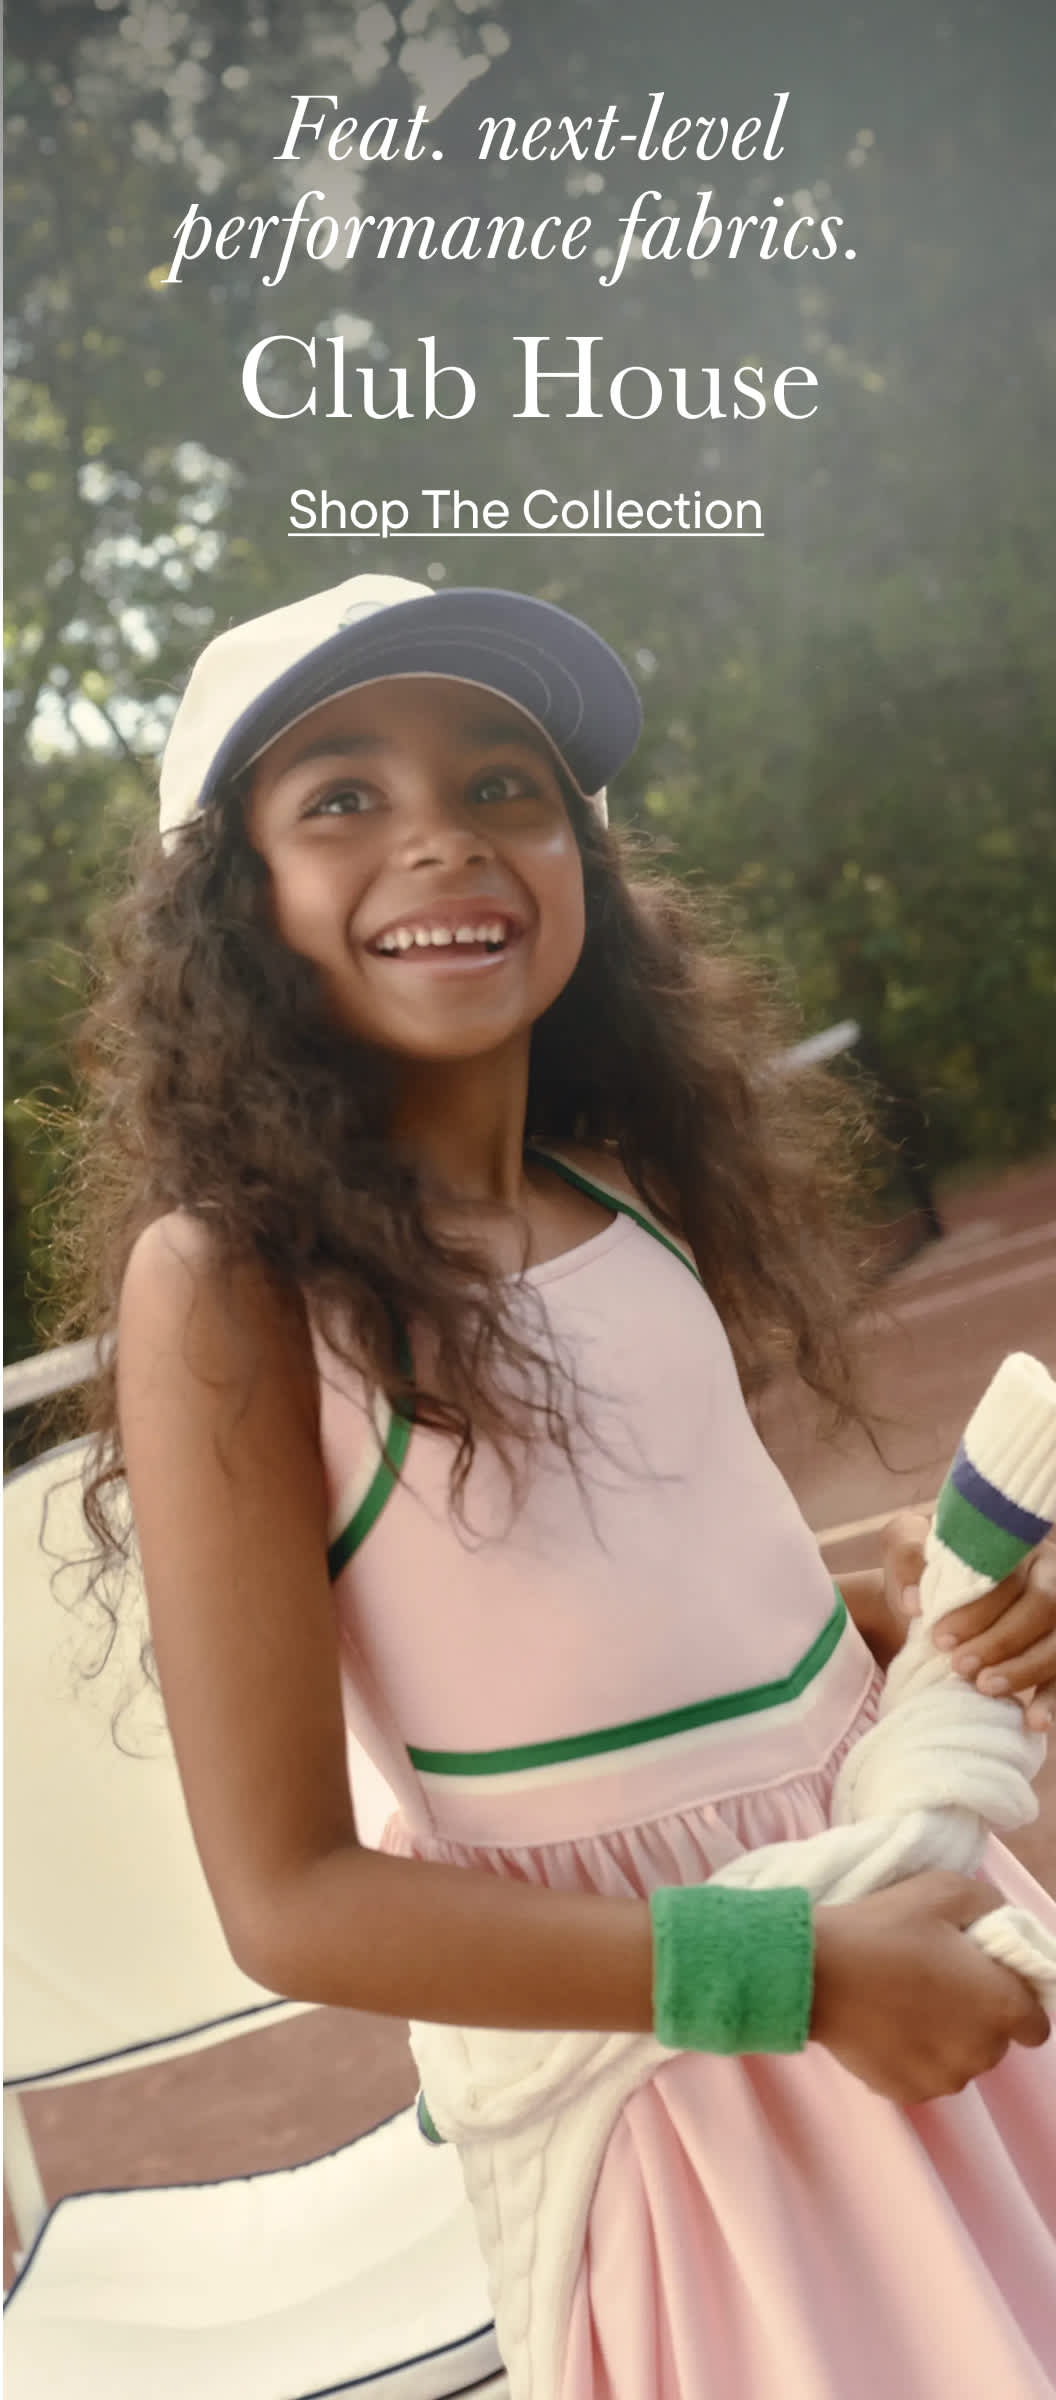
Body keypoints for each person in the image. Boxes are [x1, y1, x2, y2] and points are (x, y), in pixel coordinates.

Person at [69, 575, 1056, 2398]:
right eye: (343, 798)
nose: (443, 835)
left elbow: (636, 1606)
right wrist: (804, 1977)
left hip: (909, 1927)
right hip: (700, 2082)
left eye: (506, 784)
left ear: (584, 865)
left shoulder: (619, 1196)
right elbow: (288, 1897)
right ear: (238, 910)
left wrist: (885, 1602)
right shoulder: (230, 1287)